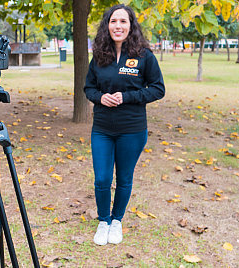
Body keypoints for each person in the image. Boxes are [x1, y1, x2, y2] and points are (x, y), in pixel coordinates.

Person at [84, 4, 165, 246]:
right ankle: (103, 221)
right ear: (106, 26)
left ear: (131, 26)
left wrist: (126, 97)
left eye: (123, 21)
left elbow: (158, 89)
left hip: (132, 129)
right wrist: (100, 97)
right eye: (113, 21)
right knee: (101, 179)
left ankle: (116, 221)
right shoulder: (99, 56)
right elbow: (88, 87)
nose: (118, 26)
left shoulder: (144, 56)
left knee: (124, 178)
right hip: (102, 129)